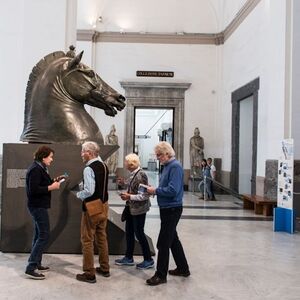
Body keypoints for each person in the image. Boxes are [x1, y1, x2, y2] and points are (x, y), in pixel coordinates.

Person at [146, 142, 190, 286]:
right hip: (166, 208)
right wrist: (155, 190)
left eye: (159, 155)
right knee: (173, 240)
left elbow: (173, 190)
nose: (158, 158)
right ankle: (183, 268)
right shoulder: (167, 167)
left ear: (167, 153)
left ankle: (160, 275)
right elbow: (166, 187)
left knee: (163, 243)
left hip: (172, 208)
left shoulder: (175, 167)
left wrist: (156, 191)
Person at [25, 146, 62, 280]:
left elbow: (41, 184)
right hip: (37, 206)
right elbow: (33, 190)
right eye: (51, 157)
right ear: (43, 156)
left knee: (39, 235)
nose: (52, 159)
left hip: (39, 206)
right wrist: (51, 187)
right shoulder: (35, 169)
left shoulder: (40, 167)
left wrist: (53, 181)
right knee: (44, 235)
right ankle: (31, 267)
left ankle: (37, 263)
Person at [76, 141, 110, 284]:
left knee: (87, 239)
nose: (81, 154)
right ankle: (105, 268)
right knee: (101, 236)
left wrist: (79, 194)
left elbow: (89, 191)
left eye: (83, 151)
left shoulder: (88, 168)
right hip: (104, 205)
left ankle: (89, 273)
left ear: (89, 153)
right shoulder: (104, 165)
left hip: (92, 206)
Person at [115, 153, 154, 269]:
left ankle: (148, 259)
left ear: (131, 163)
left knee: (139, 233)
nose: (125, 164)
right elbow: (134, 186)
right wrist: (124, 184)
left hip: (139, 209)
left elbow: (144, 195)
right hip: (132, 209)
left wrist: (129, 197)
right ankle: (128, 257)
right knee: (129, 232)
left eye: (126, 162)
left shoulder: (141, 175)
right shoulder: (134, 174)